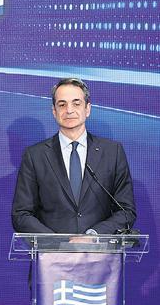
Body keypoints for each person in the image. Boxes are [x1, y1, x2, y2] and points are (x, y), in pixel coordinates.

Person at [11, 78, 136, 235]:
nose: (69, 110)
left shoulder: (112, 152)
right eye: (62, 104)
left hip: (100, 248)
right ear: (54, 111)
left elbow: (126, 211)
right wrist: (57, 242)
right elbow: (21, 215)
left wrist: (93, 235)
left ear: (87, 109)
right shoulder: (35, 155)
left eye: (76, 103)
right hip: (52, 250)